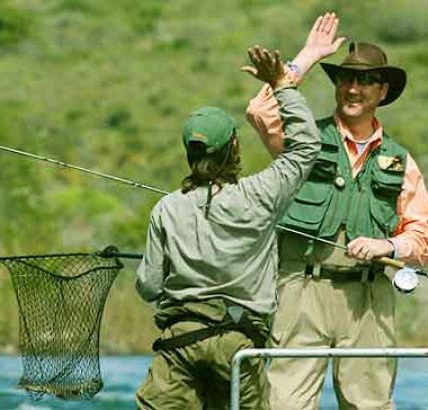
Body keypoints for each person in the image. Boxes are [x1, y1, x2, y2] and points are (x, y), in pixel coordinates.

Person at [246, 12, 428, 410]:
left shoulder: (402, 161)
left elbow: (421, 237)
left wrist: (388, 247)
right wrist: (306, 57)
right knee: (284, 405)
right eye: (346, 78)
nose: (353, 88)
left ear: (383, 91)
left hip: (370, 299)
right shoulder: (303, 140)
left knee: (371, 406)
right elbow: (261, 111)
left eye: (365, 81)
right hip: (300, 291)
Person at [134, 45, 321, 409]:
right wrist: (282, 85)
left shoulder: (165, 208)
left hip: (179, 346)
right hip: (240, 346)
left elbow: (149, 286)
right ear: (234, 147)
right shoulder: (261, 195)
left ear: (189, 154)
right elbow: (305, 148)